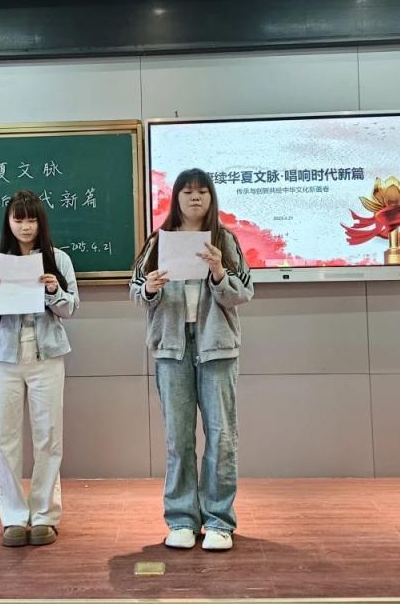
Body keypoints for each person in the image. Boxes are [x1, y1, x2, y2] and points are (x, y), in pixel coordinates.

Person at [130, 168, 254, 551]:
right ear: (176, 198)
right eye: (187, 191)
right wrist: (150, 288)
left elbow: (243, 293)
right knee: (178, 438)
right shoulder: (158, 241)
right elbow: (135, 291)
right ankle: (182, 519)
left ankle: (218, 521)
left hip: (216, 347)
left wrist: (218, 272)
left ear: (211, 198)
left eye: (202, 191)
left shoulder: (225, 239)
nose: (195, 197)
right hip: (172, 348)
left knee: (221, 436)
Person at [0, 189, 79, 547]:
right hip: (5, 358)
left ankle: (45, 516)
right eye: (18, 219)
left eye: (32, 219)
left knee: (48, 436)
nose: (25, 226)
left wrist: (53, 290)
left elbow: (70, 308)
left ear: (40, 222)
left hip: (47, 356)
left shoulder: (58, 259)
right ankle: (13, 518)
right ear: (8, 222)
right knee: (6, 440)